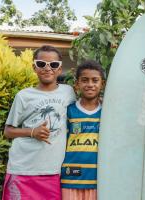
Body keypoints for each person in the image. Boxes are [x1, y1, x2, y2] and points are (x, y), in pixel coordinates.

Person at [2, 45, 76, 200]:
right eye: (42, 64)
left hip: (52, 171)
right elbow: (8, 131)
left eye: (53, 65)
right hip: (23, 169)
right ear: (34, 67)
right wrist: (32, 132)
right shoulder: (23, 96)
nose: (47, 68)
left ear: (60, 69)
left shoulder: (68, 92)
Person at [61, 60, 105, 200]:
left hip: (98, 180)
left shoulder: (108, 112)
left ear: (102, 84)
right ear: (77, 84)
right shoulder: (68, 111)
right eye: (85, 80)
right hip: (70, 179)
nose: (90, 85)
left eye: (95, 80)